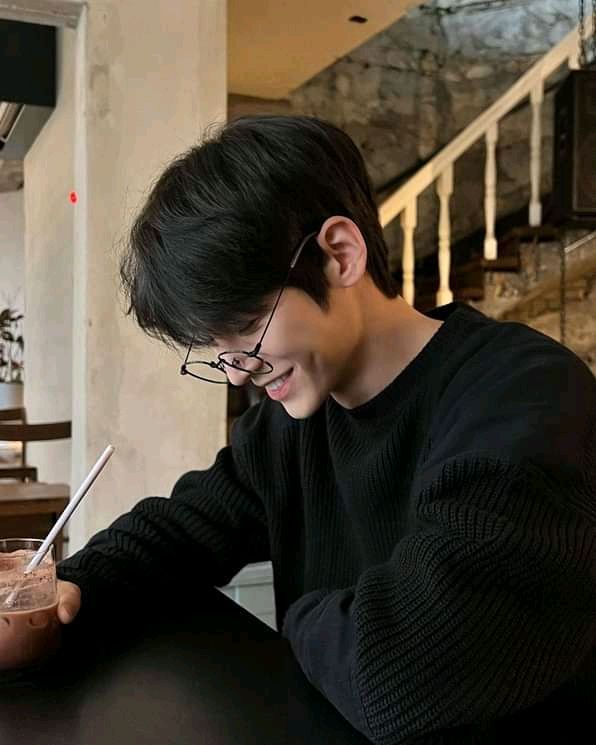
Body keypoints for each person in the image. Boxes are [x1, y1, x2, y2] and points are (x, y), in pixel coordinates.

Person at [54, 116, 595, 743]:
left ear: (340, 253)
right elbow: (181, 529)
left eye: (247, 326)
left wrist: (302, 618)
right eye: (216, 350)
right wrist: (66, 588)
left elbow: (401, 673)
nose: (238, 376)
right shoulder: (289, 430)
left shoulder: (524, 395)